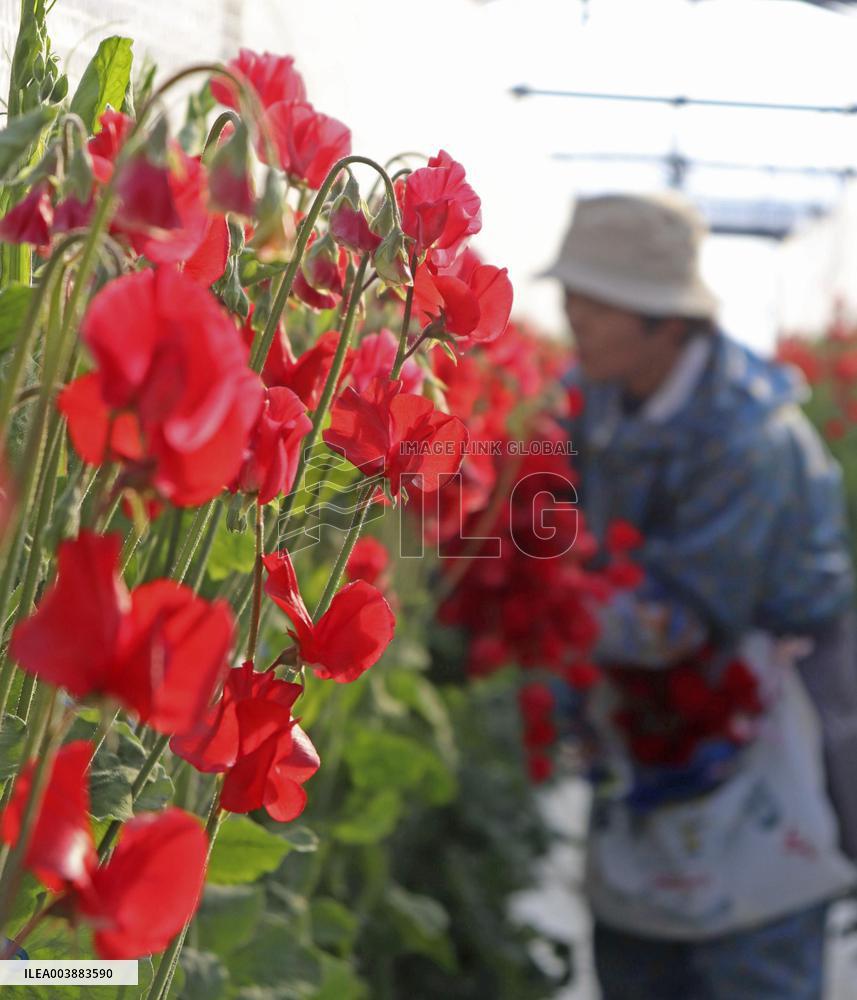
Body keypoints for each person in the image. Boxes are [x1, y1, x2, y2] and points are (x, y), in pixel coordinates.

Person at [542, 192, 857, 999]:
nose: (572, 313)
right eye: (572, 294)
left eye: (595, 300)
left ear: (665, 322)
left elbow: (675, 623)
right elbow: (544, 522)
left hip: (766, 733)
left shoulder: (750, 435)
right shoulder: (595, 399)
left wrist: (537, 607)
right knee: (638, 953)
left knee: (745, 956)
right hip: (647, 730)